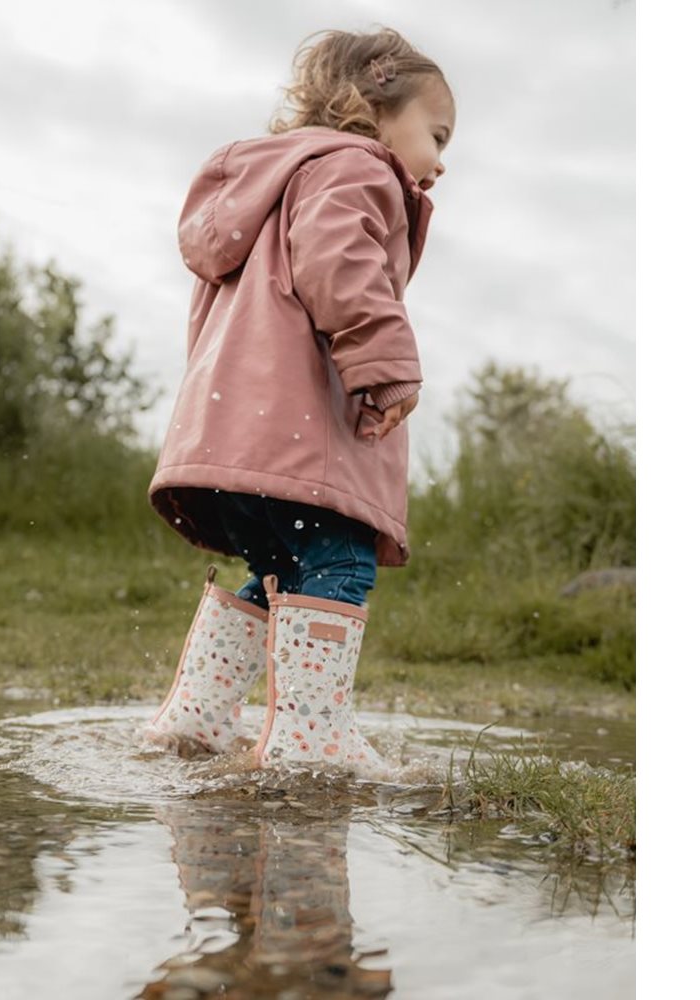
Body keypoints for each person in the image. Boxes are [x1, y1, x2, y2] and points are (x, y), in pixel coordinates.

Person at [145, 27, 455, 774]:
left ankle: (195, 719)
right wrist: (385, 363)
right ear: (374, 108)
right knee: (340, 561)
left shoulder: (269, 191)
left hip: (236, 439)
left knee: (282, 569)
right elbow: (338, 259)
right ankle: (311, 740)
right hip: (302, 440)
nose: (441, 161)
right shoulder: (356, 168)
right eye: (437, 135)